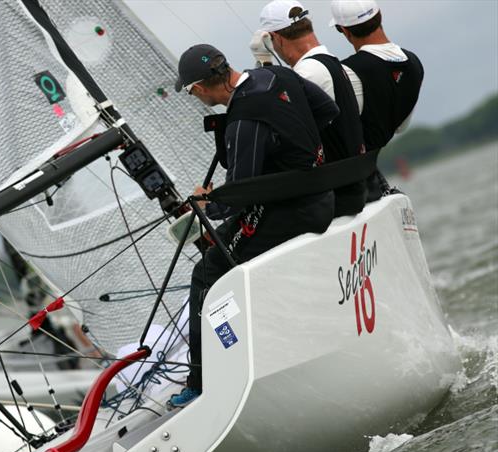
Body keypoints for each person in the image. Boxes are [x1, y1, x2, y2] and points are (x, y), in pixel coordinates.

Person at [169, 44, 339, 407]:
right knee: (228, 249)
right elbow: (328, 111)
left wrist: (206, 201)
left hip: (291, 212)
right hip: (323, 196)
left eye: (190, 92)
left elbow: (240, 197)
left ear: (198, 88)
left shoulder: (242, 119)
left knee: (206, 272)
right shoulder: (275, 74)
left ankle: (200, 382)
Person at [252, 0, 367, 216]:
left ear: (272, 38)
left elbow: (282, 132)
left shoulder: (306, 73)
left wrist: (264, 63)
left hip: (334, 197)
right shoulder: (332, 63)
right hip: (353, 185)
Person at [331, 0, 424, 201]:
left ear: (345, 31)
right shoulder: (415, 63)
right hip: (374, 176)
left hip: (350, 186)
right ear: (379, 15)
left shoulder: (345, 72)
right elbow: (401, 127)